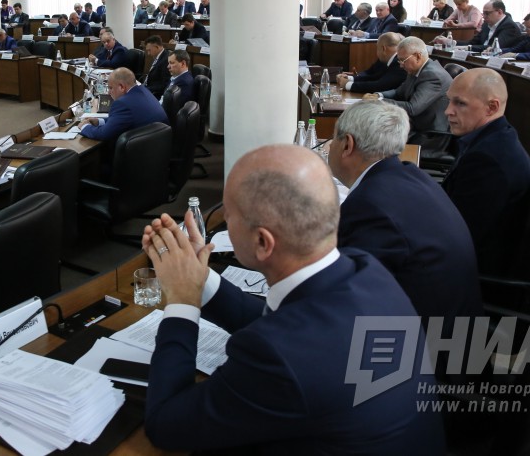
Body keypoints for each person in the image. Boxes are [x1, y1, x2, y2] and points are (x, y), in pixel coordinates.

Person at [140, 144, 445, 454]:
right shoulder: (366, 270)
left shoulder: (277, 357)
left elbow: (166, 425)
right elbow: (287, 326)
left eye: (228, 217)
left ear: (262, 242)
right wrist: (200, 278)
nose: (225, 224)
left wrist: (182, 301)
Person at [329, 100, 482, 336]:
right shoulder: (413, 175)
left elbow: (348, 294)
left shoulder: (369, 207)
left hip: (423, 346)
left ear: (347, 144)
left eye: (333, 139)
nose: (330, 146)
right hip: (453, 328)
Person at [443, 68, 530, 275]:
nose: (448, 111)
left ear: (491, 107)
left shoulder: (487, 161)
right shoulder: (496, 137)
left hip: (467, 271)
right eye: (449, 101)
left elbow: (457, 234)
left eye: (460, 103)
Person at [368, 36, 453, 152]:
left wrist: (379, 102)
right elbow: (398, 92)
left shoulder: (433, 76)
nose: (401, 65)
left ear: (417, 56)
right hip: (415, 126)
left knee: (377, 139)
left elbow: (413, 108)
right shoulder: (416, 70)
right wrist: (379, 95)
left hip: (428, 136)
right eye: (399, 61)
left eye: (403, 60)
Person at [79, 67, 167, 141]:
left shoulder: (122, 104)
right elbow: (123, 119)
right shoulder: (143, 90)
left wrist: (85, 127)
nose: (109, 92)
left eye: (110, 88)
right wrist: (99, 121)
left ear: (121, 87)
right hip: (159, 146)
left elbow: (104, 134)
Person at [336, 32, 406, 93]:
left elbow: (380, 86)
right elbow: (373, 76)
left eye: (377, 48)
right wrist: (349, 78)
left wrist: (348, 85)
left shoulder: (399, 62)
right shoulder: (388, 59)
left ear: (383, 49)